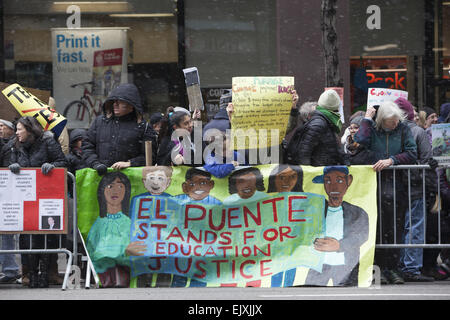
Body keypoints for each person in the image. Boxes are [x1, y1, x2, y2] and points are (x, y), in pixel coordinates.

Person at [354, 101, 417, 284]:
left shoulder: (403, 129)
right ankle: (379, 268)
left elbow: (412, 153)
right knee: (377, 227)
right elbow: (360, 141)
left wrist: (392, 160)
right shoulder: (373, 128)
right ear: (382, 121)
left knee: (395, 228)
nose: (395, 124)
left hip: (397, 185)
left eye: (397, 120)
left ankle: (393, 268)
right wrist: (366, 118)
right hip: (374, 184)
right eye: (391, 122)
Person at [1, 116, 67, 288]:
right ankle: (30, 274)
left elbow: (62, 161)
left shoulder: (48, 142)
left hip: (46, 197)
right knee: (27, 235)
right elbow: (8, 162)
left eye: (19, 129)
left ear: (30, 130)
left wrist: (52, 165)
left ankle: (45, 273)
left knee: (45, 234)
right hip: (25, 197)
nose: (16, 133)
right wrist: (12, 167)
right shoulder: (15, 145)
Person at [305, 166, 369, 286]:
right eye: (328, 181)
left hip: (346, 266)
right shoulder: (315, 210)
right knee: (311, 293)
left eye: (339, 181)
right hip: (318, 265)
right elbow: (304, 231)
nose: (333, 186)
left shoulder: (357, 212)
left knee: (347, 296)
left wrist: (340, 245)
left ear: (348, 181)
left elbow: (362, 235)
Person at [395, 97, 435, 282]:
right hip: (415, 186)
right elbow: (427, 158)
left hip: (397, 187)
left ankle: (402, 266)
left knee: (400, 227)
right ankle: (411, 268)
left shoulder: (393, 132)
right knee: (414, 227)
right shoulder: (418, 131)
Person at [86, 171, 146, 288]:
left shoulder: (130, 223)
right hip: (103, 272)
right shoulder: (98, 223)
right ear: (102, 191)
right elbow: (90, 249)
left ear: (126, 191)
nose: (115, 191)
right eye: (110, 186)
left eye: (120, 186)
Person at [82, 83, 158, 175]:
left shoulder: (143, 127)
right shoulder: (99, 122)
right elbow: (87, 146)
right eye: (113, 101)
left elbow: (150, 156)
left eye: (120, 101)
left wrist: (130, 163)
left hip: (132, 181)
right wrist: (96, 164)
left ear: (131, 105)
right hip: (100, 178)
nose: (115, 104)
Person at [291, 89, 345, 166]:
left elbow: (334, 147)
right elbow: (304, 152)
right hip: (319, 172)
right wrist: (309, 173)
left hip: (323, 170)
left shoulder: (326, 120)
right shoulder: (319, 123)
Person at [0, 118, 20, 284]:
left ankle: (10, 269)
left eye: (2, 125)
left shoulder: (7, 146)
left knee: (6, 232)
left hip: (4, 192)